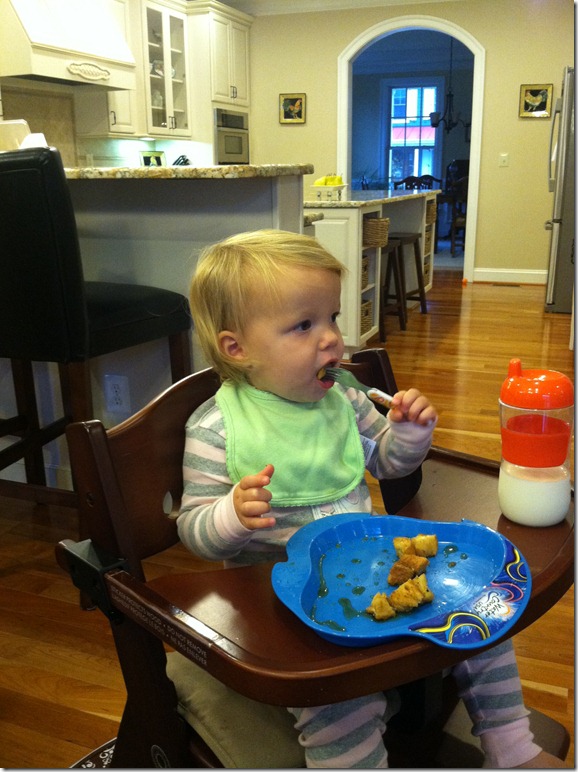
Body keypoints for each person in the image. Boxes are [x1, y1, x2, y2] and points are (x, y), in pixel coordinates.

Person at [177, 229, 565, 769]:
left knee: (482, 615)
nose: (332, 339)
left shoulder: (342, 400)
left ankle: (513, 749)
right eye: (304, 325)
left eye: (332, 318)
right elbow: (193, 531)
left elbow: (386, 462)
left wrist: (407, 434)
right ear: (236, 348)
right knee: (342, 700)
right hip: (285, 608)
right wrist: (231, 515)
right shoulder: (218, 428)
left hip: (374, 573)